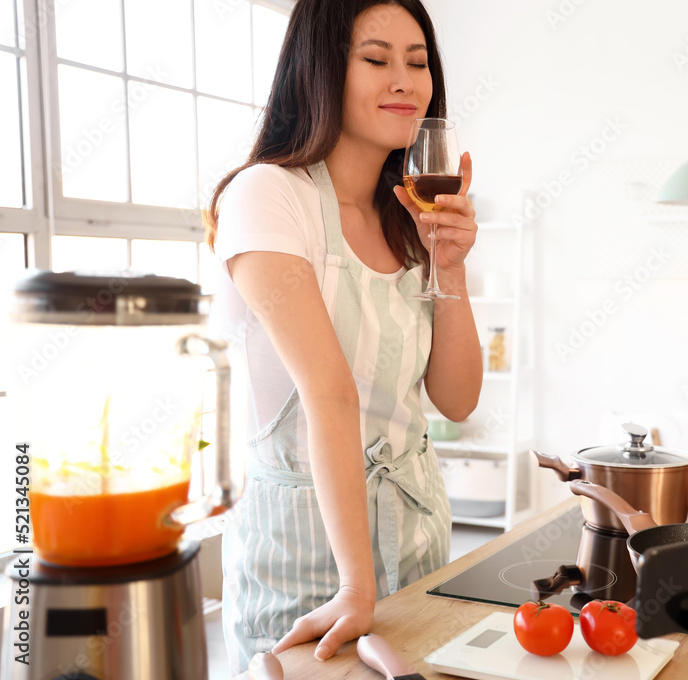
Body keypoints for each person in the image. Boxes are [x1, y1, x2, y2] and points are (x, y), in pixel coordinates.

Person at [203, 0, 482, 674]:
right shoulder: (267, 196)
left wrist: (452, 268)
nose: (405, 82)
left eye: (418, 64)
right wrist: (357, 586)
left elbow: (456, 399)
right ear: (319, 69)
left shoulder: (407, 214)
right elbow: (329, 393)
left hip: (416, 544)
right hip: (309, 565)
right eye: (376, 59)